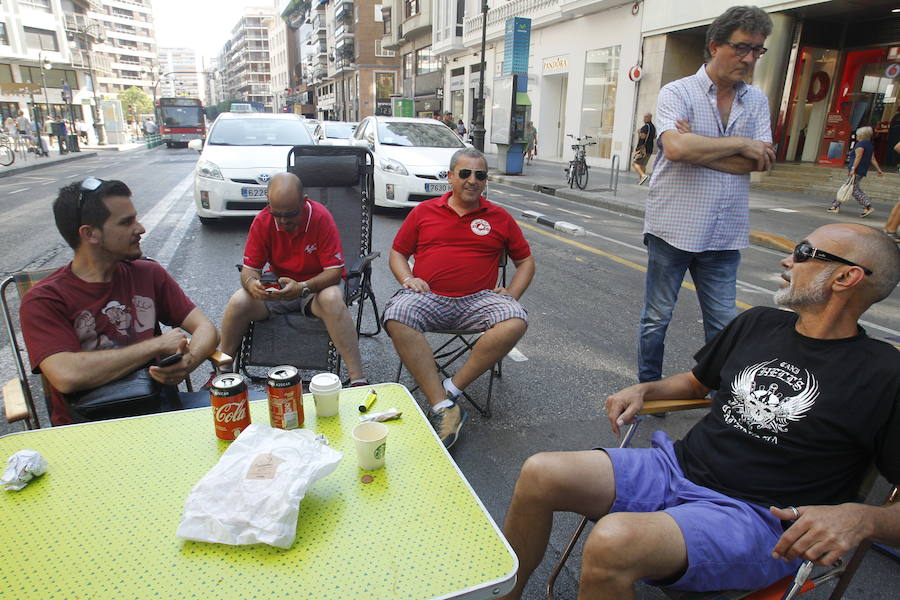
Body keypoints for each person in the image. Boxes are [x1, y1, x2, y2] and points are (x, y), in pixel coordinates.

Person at [500, 223, 900, 599]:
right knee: (541, 472)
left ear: (845, 277)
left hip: (759, 520)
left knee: (613, 540)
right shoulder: (758, 322)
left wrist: (864, 519)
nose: (787, 260)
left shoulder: (885, 373)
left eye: (803, 252)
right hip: (676, 468)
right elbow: (695, 384)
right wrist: (646, 388)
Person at [638, 5, 776, 385]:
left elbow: (762, 162)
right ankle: (649, 390)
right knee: (656, 319)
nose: (749, 59)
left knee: (723, 325)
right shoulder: (677, 91)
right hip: (673, 229)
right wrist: (739, 144)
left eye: (758, 51)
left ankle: (720, 397)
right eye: (742, 48)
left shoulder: (757, 99)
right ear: (715, 45)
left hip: (724, 232)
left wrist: (700, 146)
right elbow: (678, 151)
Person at [20, 178, 219, 426]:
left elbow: (205, 328)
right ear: (89, 234)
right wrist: (155, 346)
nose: (141, 228)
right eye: (126, 222)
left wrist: (190, 361)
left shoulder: (148, 273)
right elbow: (67, 375)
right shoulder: (44, 299)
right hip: (88, 428)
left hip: (160, 413)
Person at [383, 148, 535, 448]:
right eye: (464, 173)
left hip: (479, 300)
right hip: (429, 295)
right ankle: (443, 407)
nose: (472, 180)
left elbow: (526, 261)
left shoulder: (499, 217)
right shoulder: (424, 212)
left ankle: (451, 389)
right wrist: (407, 278)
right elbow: (398, 252)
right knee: (396, 315)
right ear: (451, 177)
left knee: (516, 320)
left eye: (479, 175)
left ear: (485, 180)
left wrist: (512, 294)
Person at [217, 172, 368, 386]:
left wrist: (303, 287)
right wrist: (252, 284)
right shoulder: (263, 220)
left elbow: (334, 272)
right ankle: (223, 371)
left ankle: (357, 378)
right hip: (278, 287)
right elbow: (249, 270)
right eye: (277, 214)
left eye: (290, 214)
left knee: (333, 298)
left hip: (314, 289)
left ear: (304, 202)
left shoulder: (320, 217)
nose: (283, 221)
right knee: (238, 300)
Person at [828, 126, 882, 217]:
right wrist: (878, 169)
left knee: (852, 188)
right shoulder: (870, 145)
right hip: (862, 169)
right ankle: (835, 205)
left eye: (858, 135)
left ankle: (867, 206)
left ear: (861, 136)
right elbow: (873, 159)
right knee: (848, 186)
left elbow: (858, 157)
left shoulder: (860, 145)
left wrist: (853, 168)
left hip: (856, 169)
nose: (856, 136)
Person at [630, 112, 656, 185]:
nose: (644, 118)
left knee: (635, 164)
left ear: (649, 118)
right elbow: (654, 137)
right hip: (649, 149)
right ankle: (641, 180)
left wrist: (639, 132)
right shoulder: (653, 127)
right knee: (643, 165)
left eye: (645, 117)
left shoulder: (646, 126)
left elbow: (643, 136)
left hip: (642, 149)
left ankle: (643, 176)